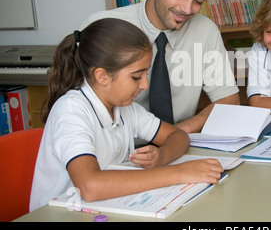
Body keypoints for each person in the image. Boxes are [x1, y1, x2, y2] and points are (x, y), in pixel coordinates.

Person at [29, 18, 223, 211]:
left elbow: (178, 136)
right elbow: (90, 186)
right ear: (102, 76)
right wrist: (178, 173)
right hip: (57, 214)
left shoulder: (124, 107)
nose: (145, 85)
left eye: (145, 74)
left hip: (101, 209)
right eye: (136, 76)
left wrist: (162, 155)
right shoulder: (71, 111)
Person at [80, 0, 239, 133]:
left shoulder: (206, 31)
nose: (187, 9)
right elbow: (78, 107)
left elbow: (228, 100)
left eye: (198, 1)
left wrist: (174, 135)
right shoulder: (103, 26)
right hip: (118, 149)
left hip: (179, 141)